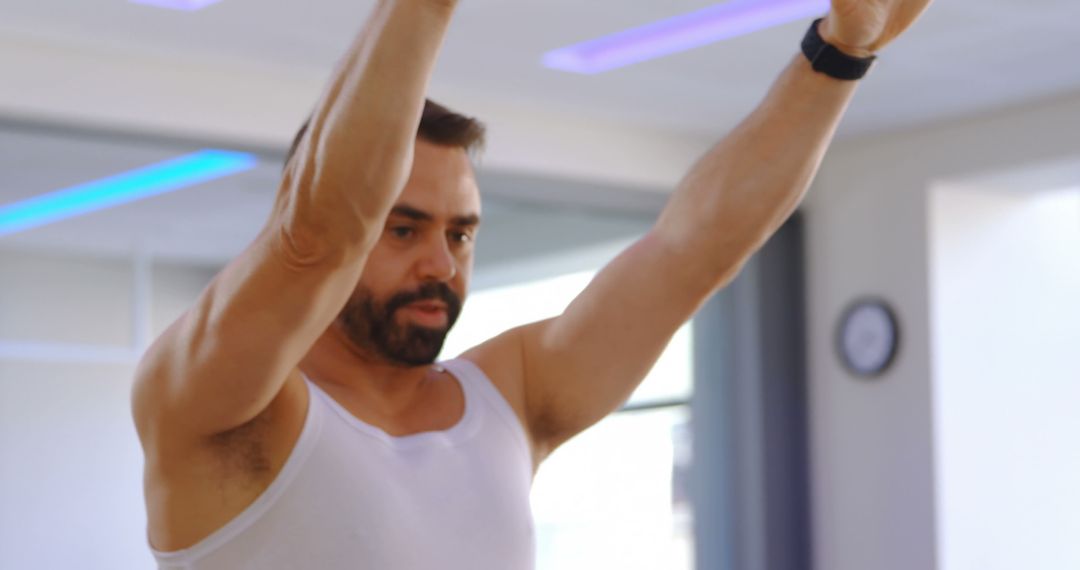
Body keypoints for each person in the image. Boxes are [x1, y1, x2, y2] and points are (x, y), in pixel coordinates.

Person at [132, 0, 933, 567]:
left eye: (462, 233)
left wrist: (840, 52)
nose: (442, 266)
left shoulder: (509, 397)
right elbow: (319, 237)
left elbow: (694, 250)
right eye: (404, 229)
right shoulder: (220, 406)